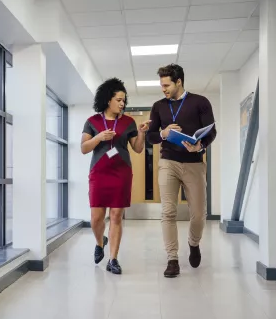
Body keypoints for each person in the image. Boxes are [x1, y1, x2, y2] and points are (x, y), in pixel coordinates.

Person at [146, 64, 217, 278]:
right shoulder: (158, 106)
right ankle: (172, 259)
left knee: (198, 214)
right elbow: (151, 136)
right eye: (161, 85)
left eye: (166, 85)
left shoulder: (200, 102)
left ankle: (194, 243)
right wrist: (164, 133)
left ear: (179, 82)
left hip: (194, 163)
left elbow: (211, 132)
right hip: (168, 162)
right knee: (168, 211)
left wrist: (200, 146)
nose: (163, 89)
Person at [81, 78, 150, 274]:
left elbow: (137, 149)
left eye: (123, 100)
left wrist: (142, 133)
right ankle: (99, 242)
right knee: (96, 218)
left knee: (116, 216)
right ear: (107, 99)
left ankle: (113, 259)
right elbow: (84, 148)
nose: (122, 103)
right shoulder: (92, 122)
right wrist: (98, 137)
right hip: (99, 174)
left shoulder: (128, 122)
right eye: (118, 99)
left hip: (121, 173)